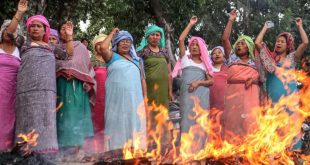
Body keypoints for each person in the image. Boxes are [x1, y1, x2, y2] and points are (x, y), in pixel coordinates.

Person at [15, 13, 74, 153]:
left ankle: (46, 151)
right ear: (28, 29)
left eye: (39, 26)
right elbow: (11, 33)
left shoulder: (51, 47)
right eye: (32, 26)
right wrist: (19, 13)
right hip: (26, 91)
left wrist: (69, 36)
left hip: (47, 91)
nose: (35, 28)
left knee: (45, 120)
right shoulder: (24, 43)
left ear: (44, 30)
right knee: (26, 119)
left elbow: (68, 55)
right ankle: (23, 151)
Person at [255, 18, 308, 150]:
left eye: (282, 41)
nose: (278, 43)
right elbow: (257, 43)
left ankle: (292, 156)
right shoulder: (269, 60)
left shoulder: (292, 58)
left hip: (290, 102)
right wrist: (265, 27)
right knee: (273, 137)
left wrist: (300, 26)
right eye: (277, 41)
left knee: (291, 133)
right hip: (272, 102)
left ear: (288, 44)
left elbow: (305, 43)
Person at [96, 28, 147, 158]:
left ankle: (136, 155)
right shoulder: (112, 56)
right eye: (122, 41)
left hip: (135, 100)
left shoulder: (137, 61)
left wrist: (145, 99)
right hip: (116, 101)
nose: (125, 43)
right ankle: (116, 155)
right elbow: (102, 47)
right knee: (117, 123)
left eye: (128, 41)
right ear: (116, 43)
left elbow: (142, 80)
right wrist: (112, 33)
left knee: (135, 123)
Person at [172, 16, 213, 159]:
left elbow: (211, 82)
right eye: (192, 44)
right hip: (187, 97)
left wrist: (198, 83)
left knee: (201, 124)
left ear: (201, 48)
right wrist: (190, 24)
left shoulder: (204, 64)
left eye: (197, 44)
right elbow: (181, 39)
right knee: (186, 123)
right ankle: (187, 156)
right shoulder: (184, 60)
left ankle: (201, 156)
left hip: (201, 97)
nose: (194, 46)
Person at [56, 21, 95, 156]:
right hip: (60, 86)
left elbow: (87, 67)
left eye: (68, 28)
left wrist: (83, 80)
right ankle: (62, 149)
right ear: (59, 32)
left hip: (77, 87)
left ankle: (78, 148)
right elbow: (54, 66)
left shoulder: (81, 48)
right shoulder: (55, 47)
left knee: (77, 116)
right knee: (62, 116)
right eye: (62, 28)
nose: (65, 31)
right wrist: (62, 72)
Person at [221, 9, 260, 143]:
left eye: (243, 43)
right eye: (238, 43)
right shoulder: (232, 58)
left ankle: (249, 158)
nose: (239, 45)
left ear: (249, 47)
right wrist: (231, 20)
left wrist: (254, 78)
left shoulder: (255, 62)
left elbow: (262, 77)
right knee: (233, 122)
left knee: (250, 123)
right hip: (234, 94)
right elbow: (225, 38)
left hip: (251, 95)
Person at [136, 25, 173, 152]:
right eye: (153, 34)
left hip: (163, 90)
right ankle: (150, 145)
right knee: (150, 115)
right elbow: (139, 72)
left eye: (158, 35)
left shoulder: (164, 52)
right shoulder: (142, 52)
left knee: (163, 115)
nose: (155, 37)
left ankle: (163, 145)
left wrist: (170, 91)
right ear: (147, 36)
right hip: (149, 89)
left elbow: (169, 73)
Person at [0, 0, 25, 152]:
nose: (9, 32)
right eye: (5, 30)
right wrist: (19, 13)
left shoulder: (21, 49)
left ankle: (6, 150)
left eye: (13, 31)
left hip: (14, 92)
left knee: (10, 120)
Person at [209, 46, 228, 111]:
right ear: (211, 57)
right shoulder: (207, 70)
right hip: (211, 101)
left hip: (226, 101)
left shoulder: (229, 69)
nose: (217, 54)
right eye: (214, 53)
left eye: (219, 52)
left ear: (224, 56)